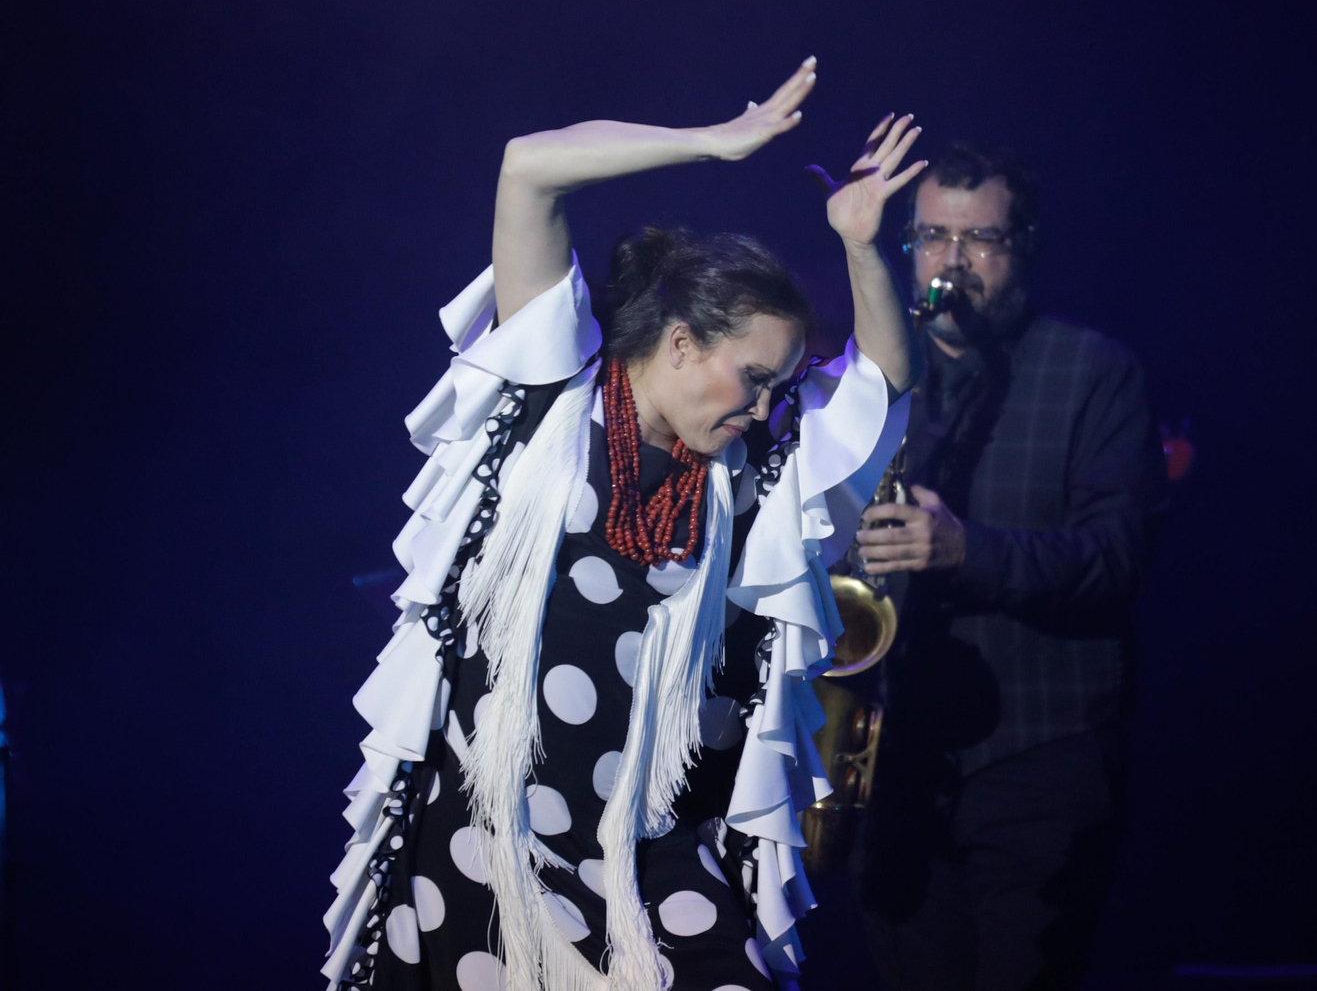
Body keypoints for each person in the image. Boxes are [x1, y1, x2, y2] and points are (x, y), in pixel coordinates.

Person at [321, 59, 926, 991]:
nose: (767, 408)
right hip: (485, 835)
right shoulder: (551, 394)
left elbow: (882, 387)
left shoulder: (748, 477)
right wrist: (712, 141)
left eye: (779, 388)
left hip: (647, 854)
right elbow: (529, 168)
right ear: (681, 341)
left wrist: (860, 247)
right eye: (754, 379)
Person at [853, 143, 1168, 989]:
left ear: (1022, 246)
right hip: (897, 763)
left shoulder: (1095, 371)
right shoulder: (876, 380)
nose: (951, 263)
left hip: (1039, 758)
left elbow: (1117, 560)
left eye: (979, 239)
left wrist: (966, 550)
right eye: (932, 237)